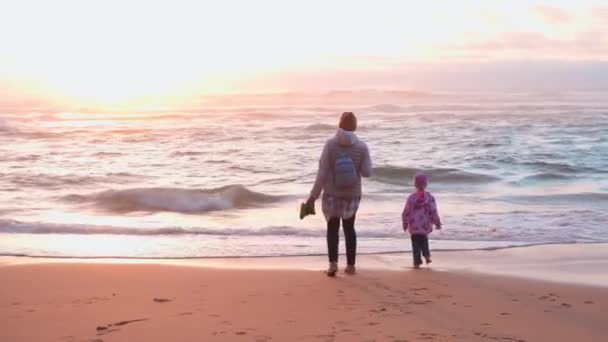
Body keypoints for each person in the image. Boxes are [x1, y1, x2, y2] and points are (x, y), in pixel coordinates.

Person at [308, 112, 372, 277]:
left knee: (332, 228)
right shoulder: (362, 147)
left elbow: (322, 173)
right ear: (355, 126)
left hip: (332, 194)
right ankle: (351, 266)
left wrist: (313, 196)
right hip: (352, 194)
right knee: (349, 228)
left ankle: (332, 265)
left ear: (339, 124)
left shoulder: (330, 145)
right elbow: (367, 173)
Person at [401, 171, 442, 268]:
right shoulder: (430, 198)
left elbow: (406, 211)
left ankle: (417, 262)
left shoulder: (411, 198)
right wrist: (437, 222)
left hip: (414, 225)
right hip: (424, 225)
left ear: (415, 184)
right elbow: (433, 211)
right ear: (426, 184)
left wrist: (405, 222)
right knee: (424, 240)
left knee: (415, 244)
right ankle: (427, 255)